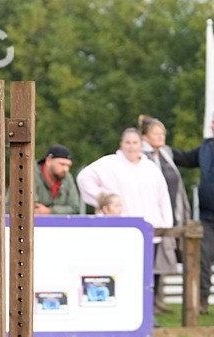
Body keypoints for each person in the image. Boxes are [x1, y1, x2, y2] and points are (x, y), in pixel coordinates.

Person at [77, 128, 173, 317]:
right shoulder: (109, 163)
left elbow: (163, 198)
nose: (131, 146)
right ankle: (119, 314)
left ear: (141, 145)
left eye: (135, 142)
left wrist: (165, 226)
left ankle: (146, 315)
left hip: (149, 231)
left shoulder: (151, 168)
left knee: (147, 277)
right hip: (120, 231)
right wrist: (102, 199)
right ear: (121, 144)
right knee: (121, 273)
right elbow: (83, 178)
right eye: (127, 142)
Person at [139, 116, 191, 313]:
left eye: (163, 133)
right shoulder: (142, 156)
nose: (161, 137)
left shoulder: (167, 154)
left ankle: (156, 299)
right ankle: (148, 300)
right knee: (150, 257)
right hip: (151, 212)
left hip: (171, 210)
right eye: (156, 133)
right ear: (145, 137)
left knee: (163, 256)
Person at [172, 116, 214, 315]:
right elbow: (185, 158)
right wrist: (161, 147)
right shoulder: (205, 148)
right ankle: (202, 300)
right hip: (208, 217)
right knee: (203, 259)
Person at [33, 144, 81, 214]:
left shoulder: (67, 177)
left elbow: (75, 207)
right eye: (62, 164)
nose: (66, 169)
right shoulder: (31, 174)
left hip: (59, 224)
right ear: (48, 161)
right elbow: (28, 206)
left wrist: (50, 211)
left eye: (68, 166)